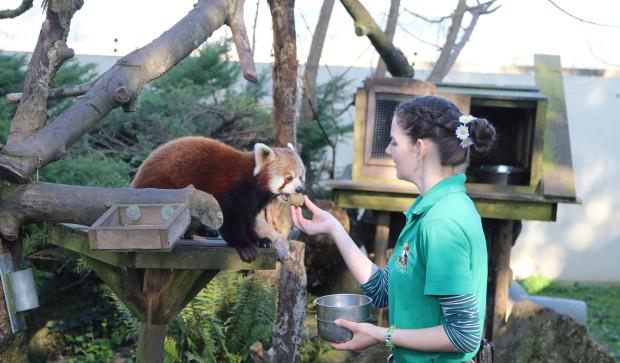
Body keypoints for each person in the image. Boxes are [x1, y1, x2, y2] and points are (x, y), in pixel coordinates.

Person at [290, 95, 496, 363]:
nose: (388, 150)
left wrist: (382, 334)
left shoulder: (441, 223)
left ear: (419, 148)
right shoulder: (430, 209)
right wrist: (334, 229)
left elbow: (463, 335)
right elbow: (383, 290)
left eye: (395, 142)